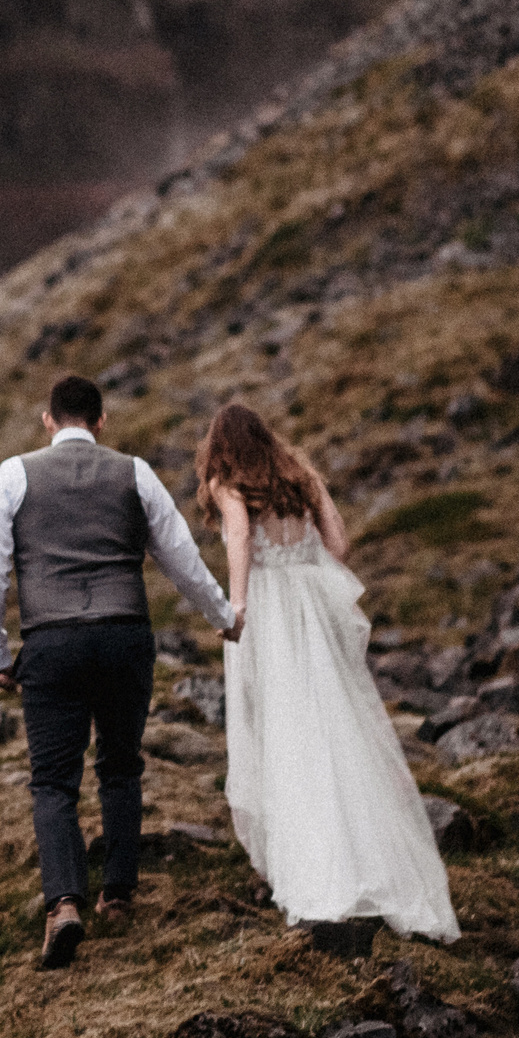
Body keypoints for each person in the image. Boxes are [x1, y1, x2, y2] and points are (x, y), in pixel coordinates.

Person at [0, 375, 241, 969]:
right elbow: (181, 557)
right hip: (124, 636)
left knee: (53, 781)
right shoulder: (134, 473)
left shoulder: (14, 475)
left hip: (53, 641)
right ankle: (118, 893)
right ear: (102, 420)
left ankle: (65, 902)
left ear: (48, 420)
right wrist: (223, 617)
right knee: (120, 763)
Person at [193, 402, 459, 941]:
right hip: (312, 605)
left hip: (270, 611)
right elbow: (338, 546)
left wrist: (237, 606)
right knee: (337, 727)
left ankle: (314, 869)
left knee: (286, 732)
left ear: (220, 448)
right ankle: (372, 860)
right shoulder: (301, 476)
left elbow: (239, 538)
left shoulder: (228, 484)